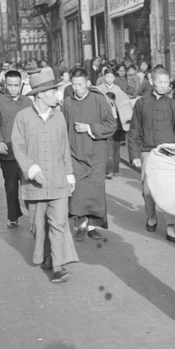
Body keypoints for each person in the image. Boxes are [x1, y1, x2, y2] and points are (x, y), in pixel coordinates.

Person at [11, 71, 79, 283]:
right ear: (39, 95)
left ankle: (59, 266)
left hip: (58, 181)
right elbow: (18, 147)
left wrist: (69, 175)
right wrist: (30, 169)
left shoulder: (59, 116)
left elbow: (64, 148)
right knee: (38, 227)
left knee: (59, 223)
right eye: (52, 91)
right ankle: (48, 256)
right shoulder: (22, 118)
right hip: (35, 185)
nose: (56, 94)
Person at [128, 67, 175, 243]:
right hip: (148, 152)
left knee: (169, 192)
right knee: (147, 190)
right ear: (152, 82)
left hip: (169, 154)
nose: (163, 85)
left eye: (166, 82)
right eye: (159, 82)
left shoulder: (173, 104)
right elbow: (134, 130)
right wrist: (135, 154)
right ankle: (151, 216)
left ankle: (170, 227)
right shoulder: (142, 103)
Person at [62, 68, 117, 242]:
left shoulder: (99, 100)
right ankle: (80, 226)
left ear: (87, 83)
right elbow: (62, 128)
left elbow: (111, 124)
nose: (77, 88)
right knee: (77, 191)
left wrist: (89, 128)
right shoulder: (67, 103)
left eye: (80, 84)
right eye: (74, 84)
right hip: (75, 152)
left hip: (96, 154)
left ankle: (92, 226)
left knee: (95, 191)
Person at [0, 70, 33, 228]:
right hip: (8, 152)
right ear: (5, 85)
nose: (13, 89)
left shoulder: (28, 102)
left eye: (16, 85)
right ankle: (13, 216)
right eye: (10, 85)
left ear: (21, 85)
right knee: (11, 186)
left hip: (27, 152)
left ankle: (34, 216)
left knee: (30, 185)